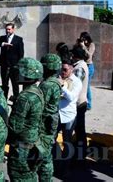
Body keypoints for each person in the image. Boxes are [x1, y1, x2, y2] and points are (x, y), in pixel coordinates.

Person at [7, 57, 44, 182]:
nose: (16, 74)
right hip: (33, 144)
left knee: (20, 177)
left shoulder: (24, 97)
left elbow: (15, 127)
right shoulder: (37, 92)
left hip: (21, 149)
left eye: (19, 71)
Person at [54, 59, 82, 179]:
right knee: (51, 139)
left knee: (67, 142)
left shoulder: (76, 82)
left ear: (71, 69)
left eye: (65, 70)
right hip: (57, 114)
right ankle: (54, 164)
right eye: (62, 69)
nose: (63, 72)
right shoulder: (59, 78)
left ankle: (65, 168)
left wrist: (62, 86)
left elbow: (71, 97)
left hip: (68, 116)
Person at [37, 54, 62, 182]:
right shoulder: (55, 82)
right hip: (50, 121)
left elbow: (40, 105)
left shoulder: (47, 85)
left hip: (45, 123)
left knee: (45, 154)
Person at [0, 23, 24, 102]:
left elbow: (21, 53)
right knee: (4, 84)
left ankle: (16, 100)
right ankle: (4, 100)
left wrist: (18, 65)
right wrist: (3, 44)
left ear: (13, 29)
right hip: (4, 65)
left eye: (9, 29)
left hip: (14, 66)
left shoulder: (18, 39)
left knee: (15, 84)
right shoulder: (2, 38)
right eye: (6, 29)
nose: (7, 31)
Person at [71, 46, 89, 161]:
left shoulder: (79, 67)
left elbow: (75, 85)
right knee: (79, 130)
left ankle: (80, 155)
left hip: (79, 102)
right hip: (81, 101)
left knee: (79, 130)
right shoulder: (81, 65)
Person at [77, 32, 95, 110]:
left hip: (89, 66)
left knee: (87, 86)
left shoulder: (92, 45)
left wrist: (84, 47)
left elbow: (89, 55)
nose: (84, 41)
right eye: (82, 39)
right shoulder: (80, 44)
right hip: (82, 65)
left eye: (85, 39)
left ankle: (89, 104)